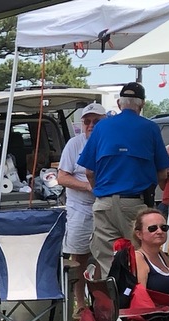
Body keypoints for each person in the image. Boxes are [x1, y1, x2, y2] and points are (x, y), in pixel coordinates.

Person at [78, 82, 169, 278]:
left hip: (104, 204)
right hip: (135, 203)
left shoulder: (101, 127)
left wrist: (101, 193)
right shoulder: (150, 128)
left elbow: (89, 172)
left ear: (120, 103)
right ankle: (139, 295)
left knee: (109, 263)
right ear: (142, 104)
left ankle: (115, 296)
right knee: (142, 258)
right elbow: (163, 174)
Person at [56, 102, 107, 277]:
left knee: (105, 255)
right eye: (87, 121)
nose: (91, 125)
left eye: (96, 121)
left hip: (105, 208)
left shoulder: (110, 142)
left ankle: (99, 292)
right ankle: (79, 294)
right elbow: (62, 177)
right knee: (79, 257)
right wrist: (88, 186)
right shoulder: (74, 144)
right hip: (80, 209)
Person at [109, 208, 169, 308]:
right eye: (152, 228)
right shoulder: (139, 258)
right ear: (139, 234)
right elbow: (141, 298)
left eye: (164, 227)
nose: (160, 231)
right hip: (153, 314)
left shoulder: (161, 255)